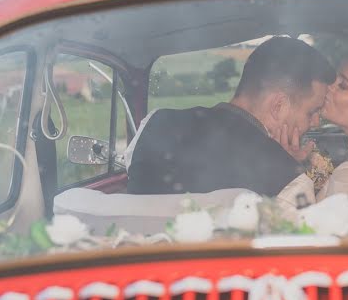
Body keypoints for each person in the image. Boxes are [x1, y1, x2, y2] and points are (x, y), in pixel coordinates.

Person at [126, 37, 336, 197]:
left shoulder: (153, 124)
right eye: (312, 112)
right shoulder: (287, 177)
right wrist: (289, 168)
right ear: (278, 106)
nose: (316, 122)